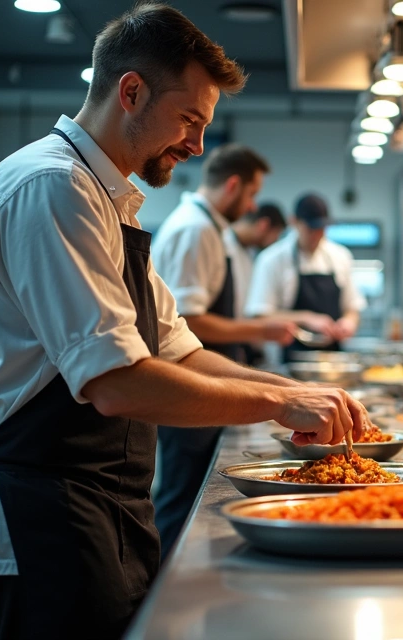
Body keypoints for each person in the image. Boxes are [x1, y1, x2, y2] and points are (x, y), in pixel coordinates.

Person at [0, 6, 368, 638]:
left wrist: (299, 395)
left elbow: (179, 349)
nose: (197, 145)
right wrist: (277, 403)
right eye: (189, 118)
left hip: (95, 512)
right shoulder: (51, 187)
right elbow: (116, 382)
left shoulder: (112, 202)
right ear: (130, 91)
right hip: (32, 525)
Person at [150, 144, 297, 557]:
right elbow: (187, 322)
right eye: (251, 195)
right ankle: (167, 603)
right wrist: (260, 330)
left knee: (188, 493)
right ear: (233, 186)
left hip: (204, 383)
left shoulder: (210, 230)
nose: (252, 205)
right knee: (181, 497)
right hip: (188, 385)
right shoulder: (195, 230)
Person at [246, 193, 365, 355]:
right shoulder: (272, 259)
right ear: (294, 222)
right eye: (311, 228)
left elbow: (352, 308)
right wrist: (307, 318)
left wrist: (348, 322)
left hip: (332, 359)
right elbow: (259, 317)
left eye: (322, 229)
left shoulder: (340, 256)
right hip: (286, 361)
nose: (317, 235)